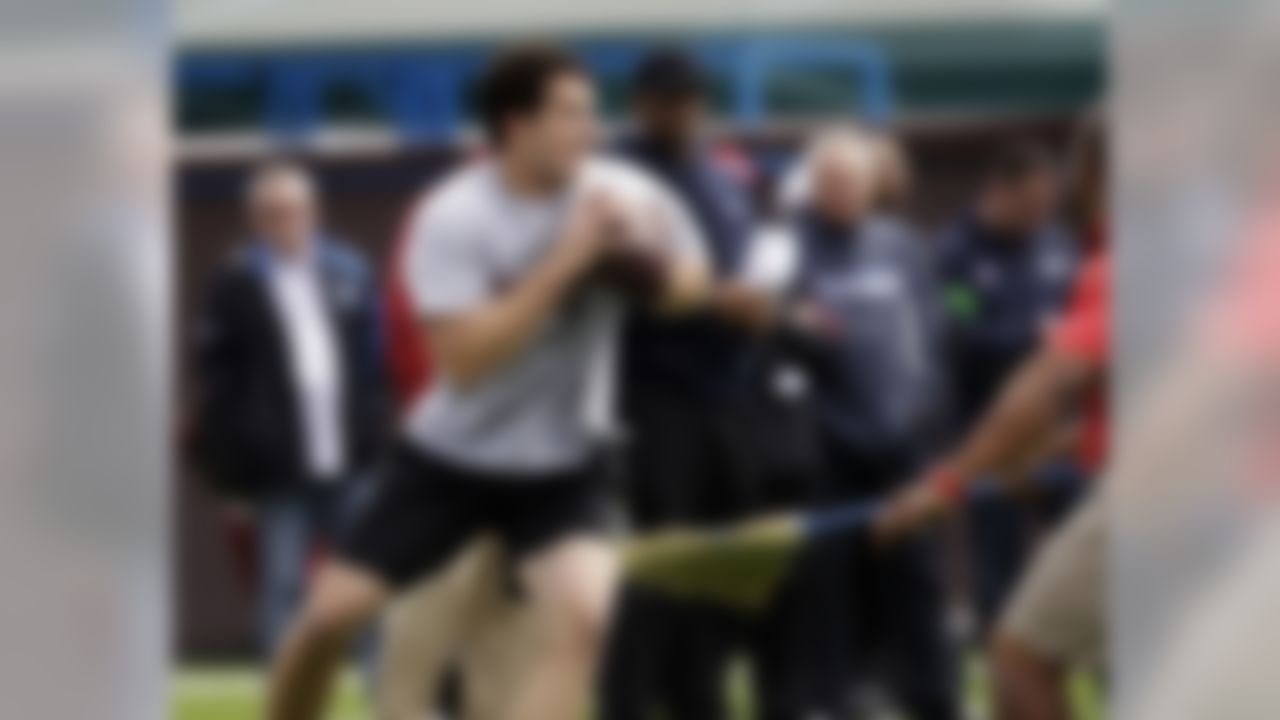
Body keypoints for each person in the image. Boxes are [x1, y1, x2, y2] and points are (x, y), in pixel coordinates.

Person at [263, 44, 710, 720]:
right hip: (450, 462)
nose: (589, 131)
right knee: (327, 621)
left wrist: (639, 267)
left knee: (588, 620)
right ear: (515, 123)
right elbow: (467, 362)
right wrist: (568, 262)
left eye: (591, 113)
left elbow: (694, 288)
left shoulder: (625, 193)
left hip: (562, 465)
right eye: (568, 114)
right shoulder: (454, 215)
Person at [601, 48, 825, 720]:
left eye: (691, 97)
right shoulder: (616, 177)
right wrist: (711, 301)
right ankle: (630, 704)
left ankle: (700, 699)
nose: (681, 109)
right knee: (655, 566)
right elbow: (617, 274)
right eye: (666, 98)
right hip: (651, 393)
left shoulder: (726, 173)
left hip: (730, 396)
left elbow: (759, 257)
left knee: (718, 566)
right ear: (640, 102)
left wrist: (777, 307)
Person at [877, 113, 1108, 720]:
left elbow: (1047, 379)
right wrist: (1057, 446)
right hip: (1011, 440)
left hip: (1158, 490)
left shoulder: (1108, 257)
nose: (1049, 210)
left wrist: (945, 484)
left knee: (1020, 657)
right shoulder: (951, 253)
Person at [781, 128, 957, 719]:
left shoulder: (902, 245)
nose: (842, 192)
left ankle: (935, 700)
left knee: (916, 579)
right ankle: (830, 701)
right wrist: (793, 327)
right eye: (829, 181)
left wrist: (927, 416)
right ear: (812, 184)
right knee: (825, 585)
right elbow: (766, 342)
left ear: (873, 184)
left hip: (900, 441)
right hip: (825, 444)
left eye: (853, 180)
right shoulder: (788, 249)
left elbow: (931, 336)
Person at [190, 160, 387, 657]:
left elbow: (374, 357)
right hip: (279, 465)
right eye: (273, 213)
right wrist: (240, 450)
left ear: (315, 212)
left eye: (296, 210)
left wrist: (373, 425)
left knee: (366, 581)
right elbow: (215, 374)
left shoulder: (349, 271)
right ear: (255, 220)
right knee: (282, 585)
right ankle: (284, 697)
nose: (287, 223)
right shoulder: (235, 282)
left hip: (351, 456)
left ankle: (389, 698)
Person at [935, 140, 1081, 631]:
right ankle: (1000, 647)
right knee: (996, 554)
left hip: (1061, 431)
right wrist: (1028, 338)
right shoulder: (953, 255)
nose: (1039, 215)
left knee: (1077, 539)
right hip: (991, 428)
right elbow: (956, 334)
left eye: (1046, 206)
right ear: (997, 191)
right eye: (1029, 205)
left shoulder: (1057, 245)